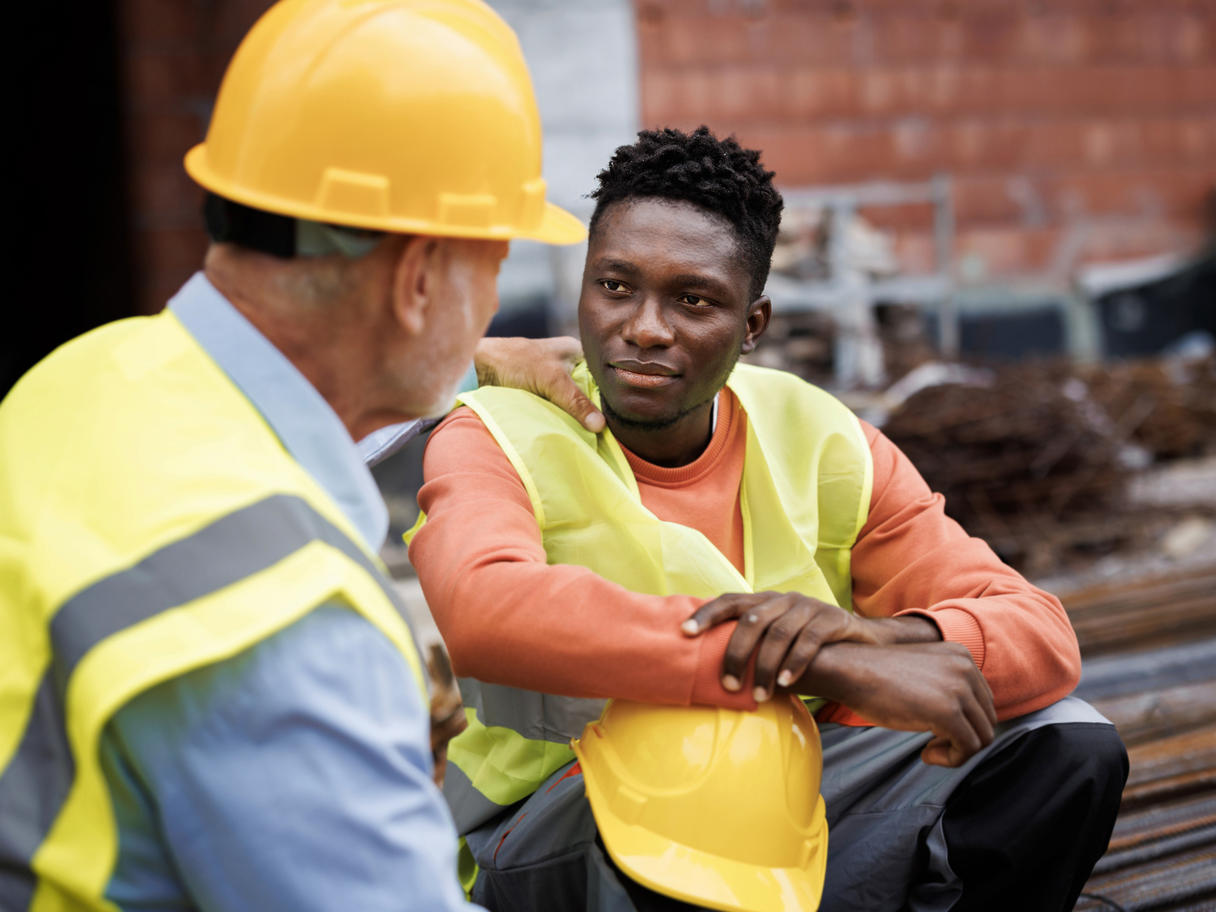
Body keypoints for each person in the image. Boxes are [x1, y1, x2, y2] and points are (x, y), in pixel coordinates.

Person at [408, 126, 1129, 911]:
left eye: (693, 300)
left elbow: (1038, 630)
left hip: (776, 795)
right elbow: (486, 611)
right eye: (615, 286)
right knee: (705, 771)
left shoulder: (817, 435)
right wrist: (800, 663)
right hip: (548, 828)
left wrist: (875, 638)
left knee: (1067, 743)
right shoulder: (498, 432)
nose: (646, 327)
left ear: (753, 326)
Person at [0, 2, 602, 909]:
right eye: (493, 268)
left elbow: (282, 414)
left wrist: (472, 363)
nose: (489, 312)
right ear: (418, 278)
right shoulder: (291, 626)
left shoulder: (79, 374)